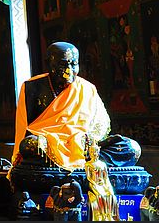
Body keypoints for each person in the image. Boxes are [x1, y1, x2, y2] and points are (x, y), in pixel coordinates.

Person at [12, 42, 140, 171]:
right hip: (49, 145)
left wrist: (89, 140)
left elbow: (102, 125)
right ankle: (84, 167)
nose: (69, 71)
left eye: (73, 64)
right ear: (48, 64)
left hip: (83, 146)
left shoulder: (87, 88)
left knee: (131, 148)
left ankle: (84, 166)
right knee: (29, 145)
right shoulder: (33, 87)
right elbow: (24, 128)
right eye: (63, 65)